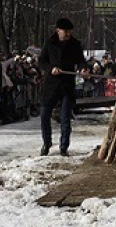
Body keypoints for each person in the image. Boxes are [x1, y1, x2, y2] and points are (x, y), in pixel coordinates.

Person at [38, 17, 88, 156]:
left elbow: (81, 61)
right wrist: (51, 68)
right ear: (58, 30)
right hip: (51, 85)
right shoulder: (50, 43)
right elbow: (41, 61)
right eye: (65, 31)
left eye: (69, 31)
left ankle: (64, 146)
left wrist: (84, 69)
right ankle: (46, 143)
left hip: (67, 85)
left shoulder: (75, 44)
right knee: (44, 115)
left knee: (65, 117)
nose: (67, 34)